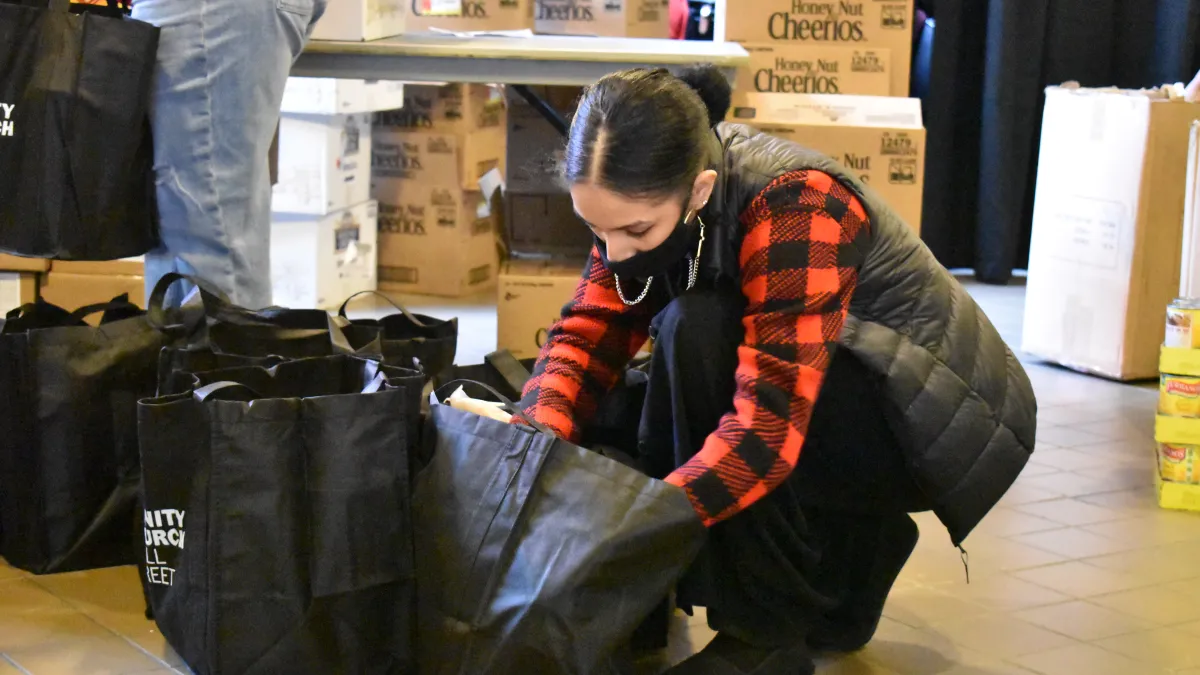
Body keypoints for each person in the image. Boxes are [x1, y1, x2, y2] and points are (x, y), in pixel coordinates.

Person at [517, 66, 1037, 675]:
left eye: (635, 231)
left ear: (700, 190)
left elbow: (765, 429)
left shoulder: (799, 206)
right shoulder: (645, 194)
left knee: (696, 335)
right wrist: (532, 438)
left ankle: (766, 636)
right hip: (845, 394)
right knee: (636, 391)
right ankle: (852, 548)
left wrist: (645, 523)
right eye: (596, 230)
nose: (615, 255)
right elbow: (587, 335)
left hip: (937, 426)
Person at [133, 0, 327, 308]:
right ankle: (188, 354)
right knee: (184, 232)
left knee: (211, 244)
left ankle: (227, 354)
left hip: (209, 12)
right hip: (213, 14)